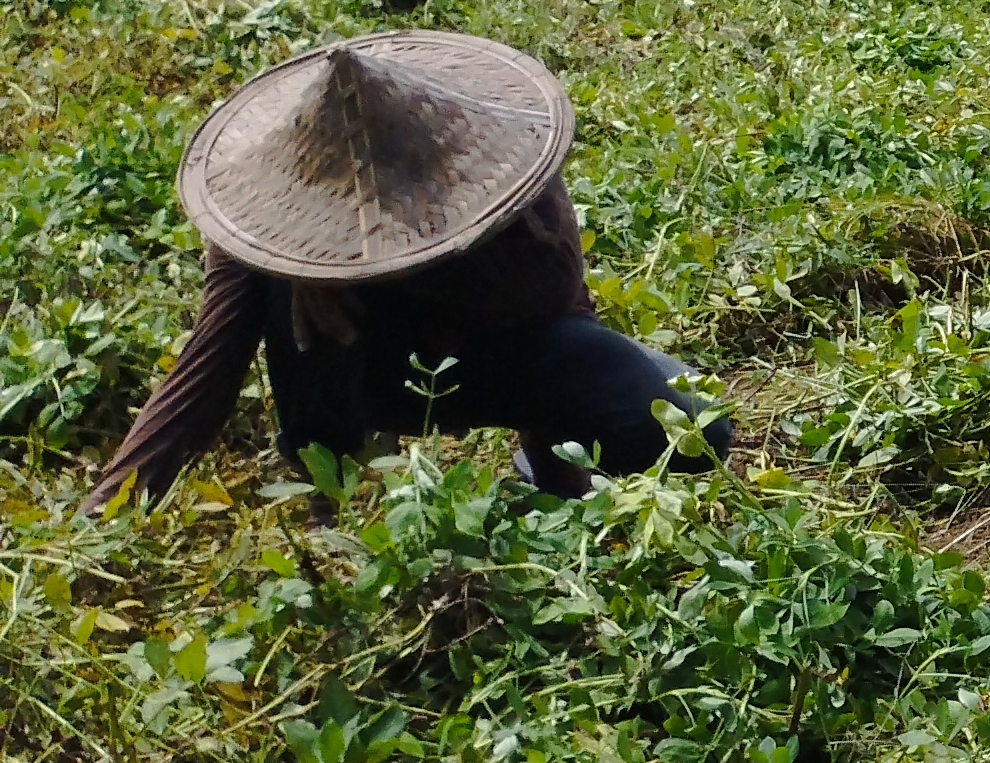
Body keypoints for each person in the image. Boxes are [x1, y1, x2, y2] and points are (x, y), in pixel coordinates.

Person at [88, 30, 726, 508]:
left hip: (494, 353)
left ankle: (544, 470)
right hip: (378, 374)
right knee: (285, 294)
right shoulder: (268, 216)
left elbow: (559, 308)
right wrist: (108, 513)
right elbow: (208, 367)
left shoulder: (505, 181)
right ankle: (332, 482)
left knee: (694, 429)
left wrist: (558, 482)